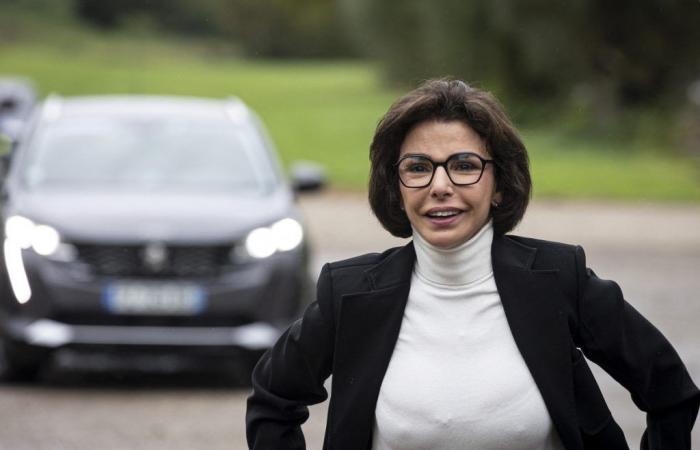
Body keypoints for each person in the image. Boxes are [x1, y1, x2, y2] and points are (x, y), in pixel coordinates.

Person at [246, 79, 699, 449]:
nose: (440, 185)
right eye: (418, 167)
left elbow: (670, 391)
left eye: (464, 165)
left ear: (499, 183)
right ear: (397, 188)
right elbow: (271, 402)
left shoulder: (560, 279)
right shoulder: (350, 295)